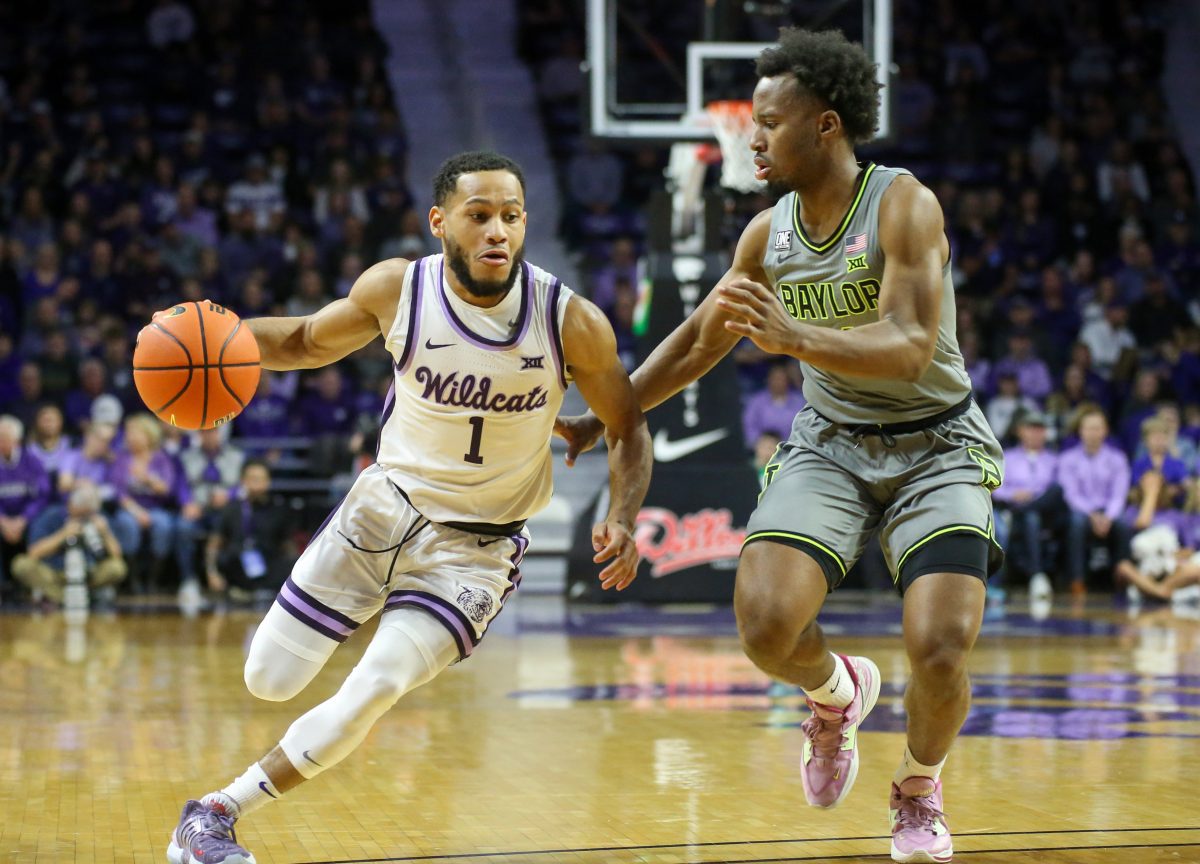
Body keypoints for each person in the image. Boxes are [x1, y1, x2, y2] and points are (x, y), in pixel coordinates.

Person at [558, 28, 1001, 864]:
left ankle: (916, 788)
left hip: (936, 445)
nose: (751, 138)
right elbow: (697, 340)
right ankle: (837, 697)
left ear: (825, 125)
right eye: (751, 123)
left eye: (768, 122)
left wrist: (796, 335)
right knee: (765, 628)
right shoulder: (767, 234)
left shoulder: (904, 204)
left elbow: (910, 344)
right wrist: (608, 414)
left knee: (940, 646)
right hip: (830, 444)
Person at [167, 150, 651, 864]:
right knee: (267, 679)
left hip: (474, 551)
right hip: (381, 510)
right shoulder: (399, 289)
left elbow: (628, 426)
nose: (497, 232)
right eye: (479, 215)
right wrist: (217, 340)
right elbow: (303, 341)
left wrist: (625, 514)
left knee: (377, 684)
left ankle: (215, 813)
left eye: (511, 217)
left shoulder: (569, 320)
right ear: (439, 223)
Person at [1056, 405, 1132, 596]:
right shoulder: (1067, 459)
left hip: (1109, 511)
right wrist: (1093, 515)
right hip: (1082, 511)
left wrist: (1107, 517)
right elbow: (1070, 494)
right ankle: (1077, 579)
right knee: (1076, 522)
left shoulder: (1118, 459)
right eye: (1089, 428)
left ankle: (1122, 578)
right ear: (1080, 431)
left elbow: (1119, 495)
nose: (1093, 433)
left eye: (1097, 428)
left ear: (1105, 430)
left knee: (1124, 523)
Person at [11, 480, 127, 602]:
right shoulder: (51, 515)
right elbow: (33, 552)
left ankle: (69, 595)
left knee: (117, 567)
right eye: (82, 510)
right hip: (54, 572)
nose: (85, 515)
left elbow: (117, 555)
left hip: (88, 573)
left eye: (89, 511)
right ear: (71, 503)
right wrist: (62, 535)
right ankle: (67, 597)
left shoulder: (98, 517)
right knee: (21, 564)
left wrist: (105, 533)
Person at [991, 409, 1061, 600]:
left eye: (1039, 429)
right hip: (1015, 511)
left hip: (1047, 513)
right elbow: (995, 486)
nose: (1035, 433)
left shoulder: (1054, 459)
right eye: (1030, 428)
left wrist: (1034, 498)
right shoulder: (1007, 456)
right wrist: (1014, 494)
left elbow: (1058, 491)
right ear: (1020, 431)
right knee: (1031, 518)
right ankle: (1037, 576)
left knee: (1055, 491)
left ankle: (1037, 575)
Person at [204, 459, 295, 599]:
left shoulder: (279, 509)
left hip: (269, 565)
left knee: (288, 565)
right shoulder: (231, 508)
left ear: (268, 481)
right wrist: (212, 573)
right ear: (243, 481)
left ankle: (263, 591)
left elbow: (288, 546)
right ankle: (242, 589)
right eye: (252, 478)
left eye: (260, 479)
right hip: (238, 565)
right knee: (226, 561)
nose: (256, 483)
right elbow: (214, 544)